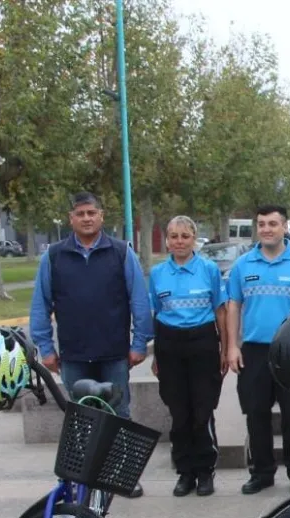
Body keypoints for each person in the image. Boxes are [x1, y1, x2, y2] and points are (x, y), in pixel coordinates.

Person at [29, 191, 153, 498]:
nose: (86, 218)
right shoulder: (54, 256)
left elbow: (139, 300)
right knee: (80, 418)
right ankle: (84, 476)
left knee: (119, 415)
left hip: (114, 353)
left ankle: (122, 476)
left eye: (91, 213)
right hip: (73, 355)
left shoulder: (122, 252)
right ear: (71, 219)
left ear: (102, 216)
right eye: (80, 214)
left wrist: (139, 343)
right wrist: (46, 349)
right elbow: (40, 305)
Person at [226, 204, 290, 495]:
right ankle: (262, 472)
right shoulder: (244, 265)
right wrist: (232, 346)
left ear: (284, 228)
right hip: (254, 350)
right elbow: (233, 306)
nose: (266, 229)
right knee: (256, 413)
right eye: (262, 224)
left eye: (273, 224)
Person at [148, 216, 228, 497]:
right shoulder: (158, 274)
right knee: (179, 414)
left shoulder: (208, 270)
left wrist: (225, 349)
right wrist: (156, 355)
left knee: (202, 412)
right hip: (170, 344)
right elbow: (157, 313)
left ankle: (205, 471)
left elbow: (221, 311)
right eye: (173, 236)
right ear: (167, 240)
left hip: (203, 341)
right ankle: (185, 472)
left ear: (194, 239)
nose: (178, 241)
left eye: (184, 236)